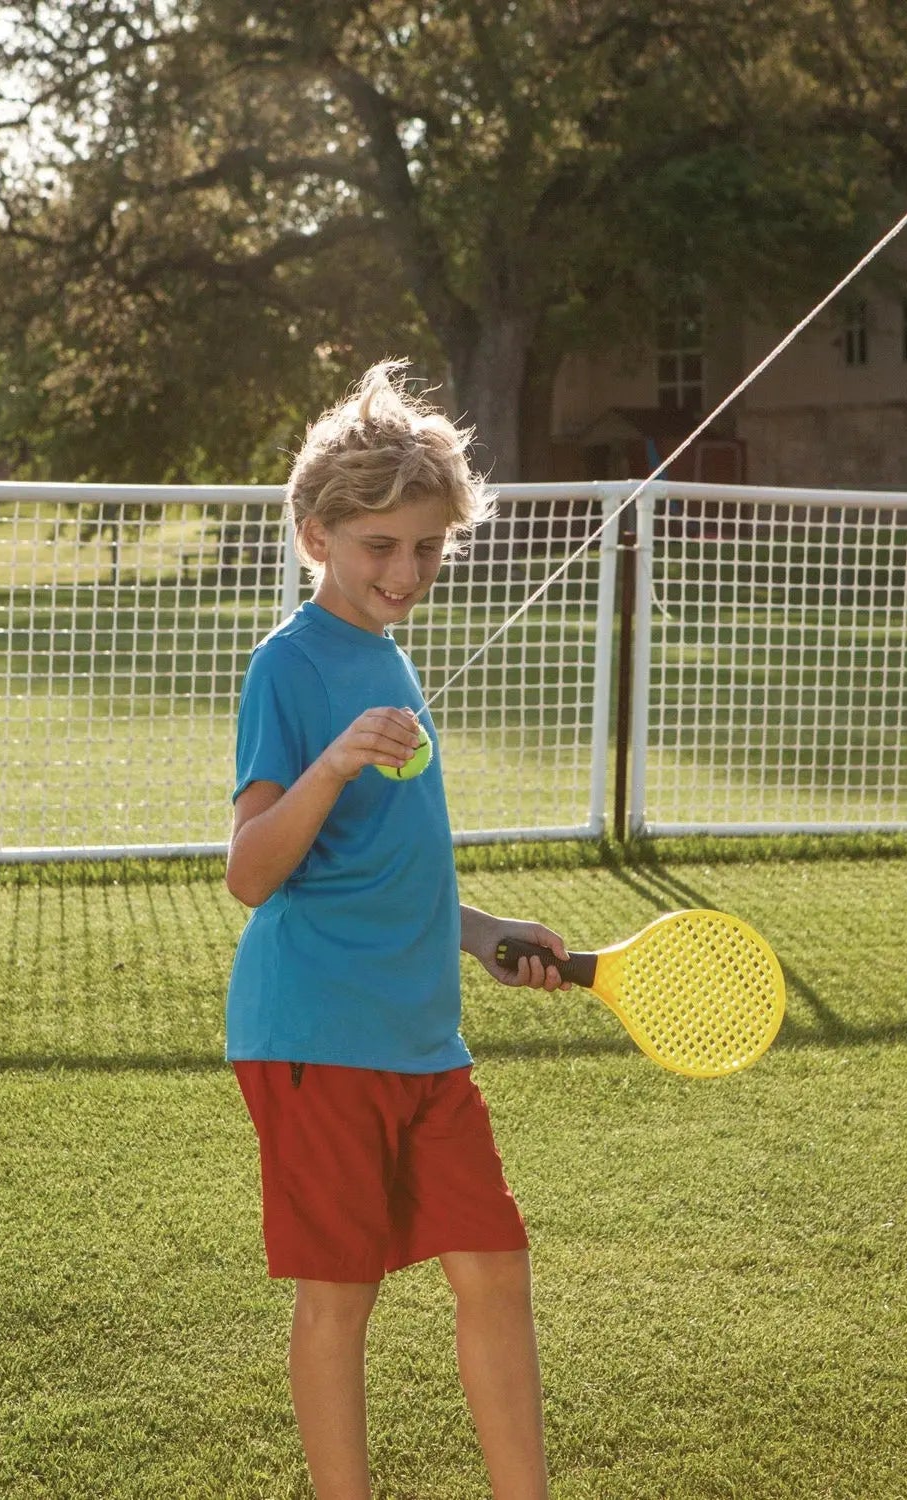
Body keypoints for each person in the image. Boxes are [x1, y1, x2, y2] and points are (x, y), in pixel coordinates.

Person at [224, 361, 568, 1500]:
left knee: (497, 1270)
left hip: (423, 1041)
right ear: (316, 537)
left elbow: (379, 868)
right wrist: (329, 762)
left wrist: (480, 932)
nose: (406, 572)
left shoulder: (390, 657)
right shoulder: (288, 665)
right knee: (342, 1295)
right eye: (381, 547)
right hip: (318, 1038)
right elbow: (252, 872)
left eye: (427, 548)